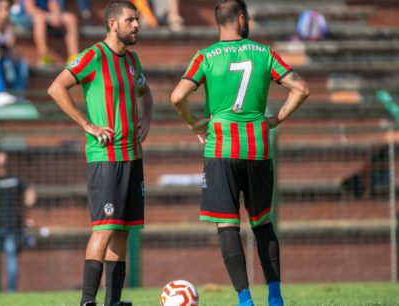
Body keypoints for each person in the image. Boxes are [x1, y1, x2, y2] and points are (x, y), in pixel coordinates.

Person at [170, 1, 310, 306]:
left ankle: (245, 300)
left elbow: (177, 96)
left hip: (221, 148)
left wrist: (194, 123)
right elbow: (301, 89)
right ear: (242, 19)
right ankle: (275, 297)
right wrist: (276, 120)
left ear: (219, 22)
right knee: (262, 222)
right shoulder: (265, 53)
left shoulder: (205, 56)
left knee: (227, 224)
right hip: (258, 147)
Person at [47, 1, 153, 305]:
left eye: (137, 20)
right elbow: (56, 88)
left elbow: (146, 93)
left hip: (133, 157)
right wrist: (88, 125)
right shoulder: (94, 56)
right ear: (111, 24)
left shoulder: (133, 61)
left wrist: (145, 118)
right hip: (105, 159)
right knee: (105, 229)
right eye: (130, 20)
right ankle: (87, 301)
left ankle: (113, 302)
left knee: (123, 232)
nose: (136, 25)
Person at [0, 151, 37, 292]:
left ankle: (10, 291)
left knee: (10, 259)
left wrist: (28, 204)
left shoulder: (15, 179)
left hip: (11, 226)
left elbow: (30, 190)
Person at [15, 0, 80, 66]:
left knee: (70, 18)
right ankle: (44, 57)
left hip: (45, 16)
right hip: (26, 17)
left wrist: (56, 15)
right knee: (39, 18)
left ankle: (73, 57)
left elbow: (53, 4)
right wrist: (48, 16)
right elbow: (30, 9)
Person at [0, 0, 29, 92]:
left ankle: (19, 94)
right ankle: (9, 93)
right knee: (8, 66)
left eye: (7, 8)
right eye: (2, 8)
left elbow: (10, 45)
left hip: (6, 54)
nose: (5, 11)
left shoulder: (10, 25)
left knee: (22, 64)